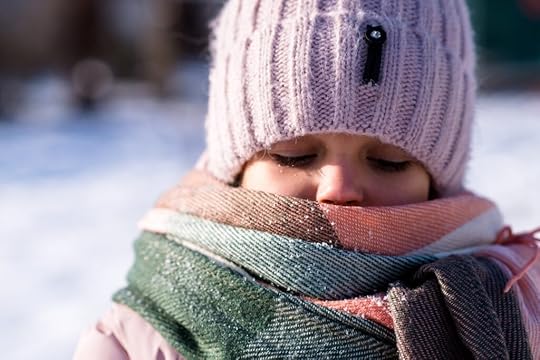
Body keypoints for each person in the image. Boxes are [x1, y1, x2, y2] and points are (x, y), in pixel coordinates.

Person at [73, 0, 540, 359]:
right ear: (235, 168)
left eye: (389, 160)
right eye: (293, 155)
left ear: (439, 181)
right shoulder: (140, 336)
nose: (338, 188)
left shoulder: (513, 310)